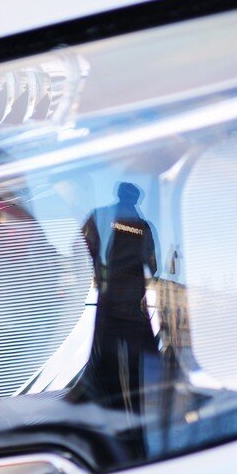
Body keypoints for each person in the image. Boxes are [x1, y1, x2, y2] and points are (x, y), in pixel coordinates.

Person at [79, 182, 159, 432]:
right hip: (131, 306)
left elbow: (83, 247)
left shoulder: (100, 216)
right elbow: (154, 265)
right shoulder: (143, 226)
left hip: (110, 304)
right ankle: (135, 422)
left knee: (109, 369)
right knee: (134, 371)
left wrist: (97, 270)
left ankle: (117, 423)